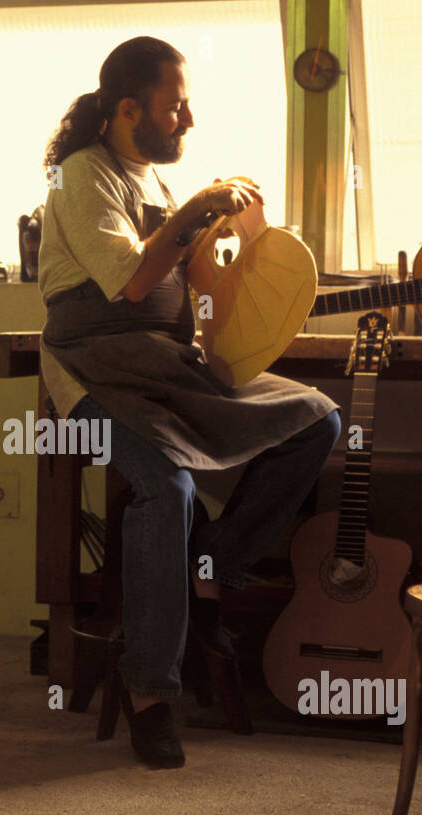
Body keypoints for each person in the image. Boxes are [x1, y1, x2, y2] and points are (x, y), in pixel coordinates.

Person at [38, 36, 340, 768]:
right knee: (165, 487)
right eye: (176, 107)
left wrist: (232, 250)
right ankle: (149, 692)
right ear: (129, 108)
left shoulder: (154, 185)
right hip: (95, 375)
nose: (189, 120)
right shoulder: (82, 176)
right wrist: (198, 207)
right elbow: (133, 284)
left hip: (167, 368)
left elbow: (189, 287)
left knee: (315, 420)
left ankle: (210, 566)